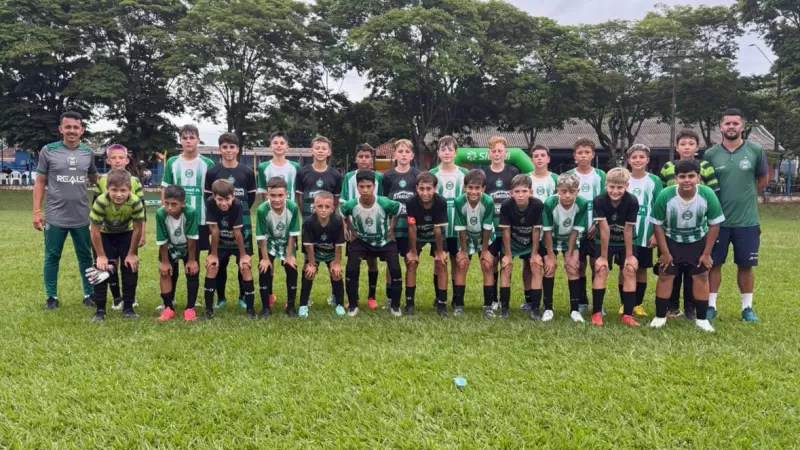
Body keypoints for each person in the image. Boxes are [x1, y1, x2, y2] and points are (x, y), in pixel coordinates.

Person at [703, 109, 768, 322]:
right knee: (713, 263)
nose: (731, 127)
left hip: (747, 221)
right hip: (717, 222)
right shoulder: (710, 154)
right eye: (727, 123)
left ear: (742, 127)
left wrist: (747, 198)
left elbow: (763, 179)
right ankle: (710, 306)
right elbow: (705, 185)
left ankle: (747, 309)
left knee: (746, 265)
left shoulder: (755, 150)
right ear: (721, 127)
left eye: (735, 123)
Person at [33, 111, 99, 310]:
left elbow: (95, 179)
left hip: (82, 215)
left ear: (82, 130)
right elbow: (40, 181)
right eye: (68, 127)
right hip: (55, 215)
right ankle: (51, 297)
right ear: (61, 129)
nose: (72, 131)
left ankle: (89, 294)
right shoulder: (48, 150)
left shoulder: (87, 152)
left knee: (86, 256)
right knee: (52, 256)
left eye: (75, 127)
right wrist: (36, 211)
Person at [649, 159, 723, 332]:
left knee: (701, 277)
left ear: (698, 177)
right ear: (676, 178)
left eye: (691, 176)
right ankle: (660, 316)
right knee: (665, 276)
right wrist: (665, 252)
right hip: (671, 240)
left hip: (697, 240)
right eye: (682, 176)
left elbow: (714, 224)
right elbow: (657, 224)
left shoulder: (707, 194)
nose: (687, 180)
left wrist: (707, 253)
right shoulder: (666, 195)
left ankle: (702, 319)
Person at [659, 127, 719, 319]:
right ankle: (671, 307)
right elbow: (660, 197)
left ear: (697, 147)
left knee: (696, 271)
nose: (687, 147)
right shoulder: (667, 167)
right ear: (676, 147)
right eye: (683, 144)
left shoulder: (706, 167)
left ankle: (692, 308)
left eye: (691, 143)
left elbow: (714, 195)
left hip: (697, 228)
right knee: (671, 270)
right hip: (671, 229)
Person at [160, 124, 215, 311]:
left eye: (192, 138)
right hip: (175, 219)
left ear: (198, 140)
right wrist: (165, 211)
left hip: (199, 220)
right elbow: (165, 189)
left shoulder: (207, 163)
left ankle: (193, 299)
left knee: (193, 259)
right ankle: (170, 298)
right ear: (180, 141)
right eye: (185, 138)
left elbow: (212, 193)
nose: (188, 141)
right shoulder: (172, 162)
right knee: (172, 259)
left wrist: (211, 219)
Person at [204, 132, 256, 310]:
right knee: (219, 262)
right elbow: (208, 198)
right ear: (220, 149)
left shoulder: (247, 172)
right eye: (225, 147)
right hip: (219, 223)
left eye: (232, 147)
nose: (228, 150)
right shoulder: (213, 172)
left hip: (241, 222)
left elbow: (251, 197)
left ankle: (243, 296)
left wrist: (238, 211)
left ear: (238, 149)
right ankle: (220, 298)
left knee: (243, 261)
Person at [339, 171, 402, 317]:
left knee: (395, 269)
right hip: (362, 241)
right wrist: (352, 230)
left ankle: (395, 306)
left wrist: (392, 229)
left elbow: (398, 210)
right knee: (351, 269)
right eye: (362, 187)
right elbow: (343, 213)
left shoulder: (384, 202)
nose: (365, 190)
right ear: (357, 187)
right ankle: (353, 306)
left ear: (374, 186)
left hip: (384, 241)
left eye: (368, 186)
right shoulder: (352, 204)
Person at [92, 144, 145, 310]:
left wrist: (142, 235)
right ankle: (116, 298)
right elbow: (95, 217)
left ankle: (129, 299)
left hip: (126, 230)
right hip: (105, 231)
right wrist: (100, 254)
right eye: (113, 158)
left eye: (121, 157)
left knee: (128, 263)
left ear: (127, 160)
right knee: (108, 264)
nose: (117, 161)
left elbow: (140, 215)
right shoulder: (101, 183)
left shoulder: (135, 182)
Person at [590, 168, 640, 327]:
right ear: (606, 185)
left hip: (626, 240)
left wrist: (630, 256)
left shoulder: (632, 201)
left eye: (620, 187)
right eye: (612, 187)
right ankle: (596, 313)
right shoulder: (599, 200)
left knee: (630, 269)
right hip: (605, 240)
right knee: (601, 269)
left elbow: (628, 230)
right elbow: (604, 230)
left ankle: (628, 314)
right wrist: (603, 257)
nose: (615, 191)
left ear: (626, 186)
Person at [541, 173, 589, 323]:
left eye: (572, 191)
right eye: (564, 191)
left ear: (577, 191)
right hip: (551, 239)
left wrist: (570, 253)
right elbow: (547, 231)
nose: (567, 195)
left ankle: (575, 310)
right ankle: (548, 309)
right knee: (549, 268)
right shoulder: (549, 203)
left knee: (572, 268)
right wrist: (550, 255)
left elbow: (575, 230)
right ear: (558, 190)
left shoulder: (582, 203)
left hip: (570, 239)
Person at [204, 179, 256, 319]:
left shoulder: (238, 204)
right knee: (212, 266)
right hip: (220, 240)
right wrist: (213, 254)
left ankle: (250, 310)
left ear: (233, 196)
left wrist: (243, 255)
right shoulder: (210, 203)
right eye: (220, 199)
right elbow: (214, 230)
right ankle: (208, 310)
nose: (224, 203)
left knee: (245, 267)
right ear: (214, 197)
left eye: (227, 199)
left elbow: (237, 232)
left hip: (239, 240)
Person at [566, 138, 606, 313]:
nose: (583, 156)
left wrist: (597, 224)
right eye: (580, 153)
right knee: (579, 265)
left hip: (596, 228)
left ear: (593, 155)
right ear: (574, 155)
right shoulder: (568, 176)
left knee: (596, 265)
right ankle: (582, 302)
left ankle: (598, 304)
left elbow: (606, 201)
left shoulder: (601, 176)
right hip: (575, 229)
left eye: (587, 152)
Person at [341, 143, 383, 309]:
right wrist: (346, 226)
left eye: (367, 157)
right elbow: (343, 203)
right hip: (354, 227)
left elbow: (383, 202)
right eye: (361, 157)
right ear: (356, 159)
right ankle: (354, 297)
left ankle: (371, 297)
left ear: (372, 160)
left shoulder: (379, 177)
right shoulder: (348, 177)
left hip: (374, 227)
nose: (364, 160)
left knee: (372, 261)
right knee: (354, 262)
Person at [498, 174, 544, 319]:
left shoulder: (537, 205)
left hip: (530, 241)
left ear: (531, 192)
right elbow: (506, 231)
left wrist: (534, 254)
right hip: (512, 241)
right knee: (506, 267)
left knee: (535, 266)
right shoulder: (506, 205)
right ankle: (504, 309)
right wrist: (508, 255)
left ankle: (534, 308)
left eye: (524, 191)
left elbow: (536, 230)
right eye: (517, 191)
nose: (521, 195)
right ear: (511, 193)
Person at [429, 136, 469, 302]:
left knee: (457, 261)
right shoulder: (432, 174)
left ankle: (456, 299)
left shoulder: (464, 174)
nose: (446, 152)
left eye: (450, 149)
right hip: (440, 228)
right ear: (438, 153)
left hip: (458, 227)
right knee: (439, 261)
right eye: (443, 149)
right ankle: (440, 297)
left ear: (455, 153)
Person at [382, 139, 420, 309]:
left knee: (410, 261)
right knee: (391, 263)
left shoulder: (417, 176)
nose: (404, 155)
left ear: (412, 155)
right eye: (400, 151)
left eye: (407, 152)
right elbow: (384, 201)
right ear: (395, 155)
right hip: (393, 228)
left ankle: (409, 299)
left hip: (410, 227)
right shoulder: (388, 176)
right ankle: (390, 297)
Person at [624, 144, 662, 317]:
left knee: (641, 269)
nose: (638, 160)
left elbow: (659, 207)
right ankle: (624, 303)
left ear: (647, 160)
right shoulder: (624, 178)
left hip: (646, 233)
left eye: (641, 157)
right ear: (628, 160)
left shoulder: (654, 180)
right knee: (625, 267)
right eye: (634, 157)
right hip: (625, 233)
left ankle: (638, 304)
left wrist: (655, 233)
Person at [484, 136, 521, 310]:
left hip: (508, 227)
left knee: (506, 263)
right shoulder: (484, 174)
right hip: (491, 227)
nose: (497, 154)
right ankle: (492, 299)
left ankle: (505, 300)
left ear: (505, 153)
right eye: (494, 151)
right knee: (491, 263)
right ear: (489, 153)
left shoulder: (513, 172)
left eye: (500, 151)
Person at [405, 172, 449, 316]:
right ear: (416, 188)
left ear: (435, 188)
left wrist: (440, 253)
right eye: (421, 189)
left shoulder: (441, 201)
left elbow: (438, 230)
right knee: (411, 263)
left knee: (441, 263)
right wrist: (413, 252)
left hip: (436, 235)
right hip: (418, 234)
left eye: (429, 189)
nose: (425, 193)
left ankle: (441, 304)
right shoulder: (411, 202)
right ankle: (409, 304)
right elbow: (412, 227)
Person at [453, 170, 496, 317]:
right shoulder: (459, 201)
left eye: (477, 188)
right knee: (462, 264)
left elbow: (487, 227)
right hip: (467, 236)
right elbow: (461, 228)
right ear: (464, 187)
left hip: (485, 237)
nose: (473, 191)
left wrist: (484, 251)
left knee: (487, 265)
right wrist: (463, 251)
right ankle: (459, 306)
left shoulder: (488, 201)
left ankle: (488, 306)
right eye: (470, 187)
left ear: (483, 188)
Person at [256, 177, 300, 318]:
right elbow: (261, 236)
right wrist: (264, 258)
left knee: (292, 268)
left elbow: (293, 234)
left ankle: (291, 306)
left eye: (280, 195)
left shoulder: (292, 207)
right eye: (273, 195)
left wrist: (289, 256)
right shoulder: (262, 210)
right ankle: (266, 307)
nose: (277, 199)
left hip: (287, 243)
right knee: (264, 269)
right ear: (267, 195)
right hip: (268, 243)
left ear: (286, 194)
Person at [155, 186, 200, 322]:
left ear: (183, 203)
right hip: (170, 246)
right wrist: (165, 262)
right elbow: (162, 240)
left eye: (174, 204)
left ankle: (190, 309)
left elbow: (192, 237)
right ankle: (168, 308)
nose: (169, 208)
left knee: (192, 271)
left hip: (188, 246)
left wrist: (191, 260)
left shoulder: (190, 212)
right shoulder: (160, 213)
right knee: (165, 273)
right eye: (167, 203)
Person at [300, 192, 346, 317]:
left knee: (336, 273)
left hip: (331, 253)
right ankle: (303, 305)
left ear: (333, 208)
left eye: (327, 206)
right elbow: (309, 246)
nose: (323, 210)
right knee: (309, 273)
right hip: (314, 253)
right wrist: (312, 264)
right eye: (320, 206)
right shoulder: (309, 222)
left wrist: (337, 264)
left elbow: (338, 245)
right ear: (314, 207)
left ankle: (339, 304)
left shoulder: (337, 221)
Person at [296, 135, 342, 219]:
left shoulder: (335, 175)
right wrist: (303, 216)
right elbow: (299, 197)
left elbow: (336, 199)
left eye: (324, 149)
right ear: (312, 151)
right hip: (307, 219)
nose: (320, 151)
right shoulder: (302, 172)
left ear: (329, 152)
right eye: (317, 148)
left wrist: (330, 215)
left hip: (327, 220)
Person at [257, 131, 300, 201]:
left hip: (289, 207)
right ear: (271, 147)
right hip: (271, 207)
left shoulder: (295, 167)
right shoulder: (263, 167)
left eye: (282, 143)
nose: (279, 145)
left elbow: (298, 191)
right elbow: (264, 192)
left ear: (287, 147)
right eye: (275, 143)